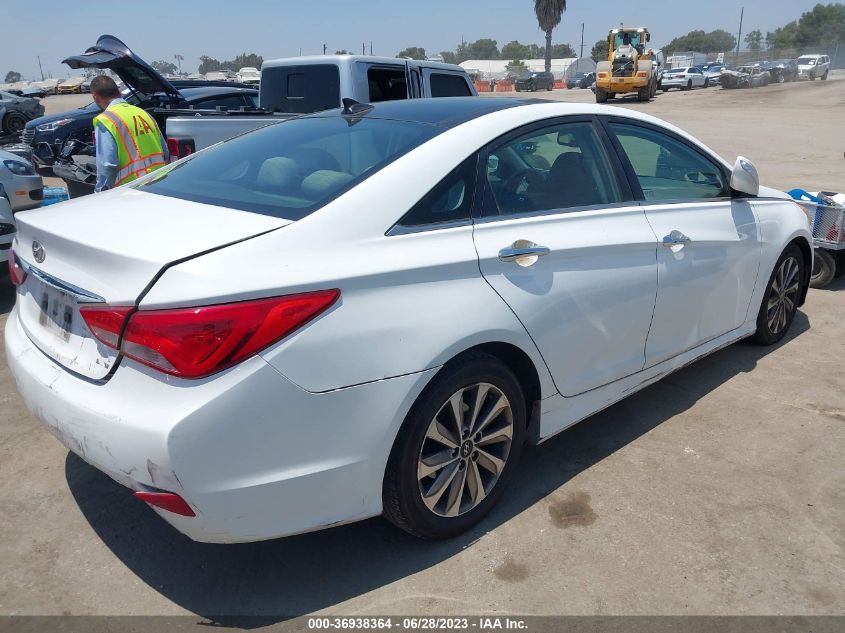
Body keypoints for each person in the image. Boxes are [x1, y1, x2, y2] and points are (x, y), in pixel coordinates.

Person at [90, 76, 168, 193]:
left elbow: (107, 165)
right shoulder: (144, 113)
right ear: (119, 92)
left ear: (95, 97)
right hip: (160, 184)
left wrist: (101, 192)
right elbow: (165, 153)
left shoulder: (106, 120)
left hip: (131, 190)